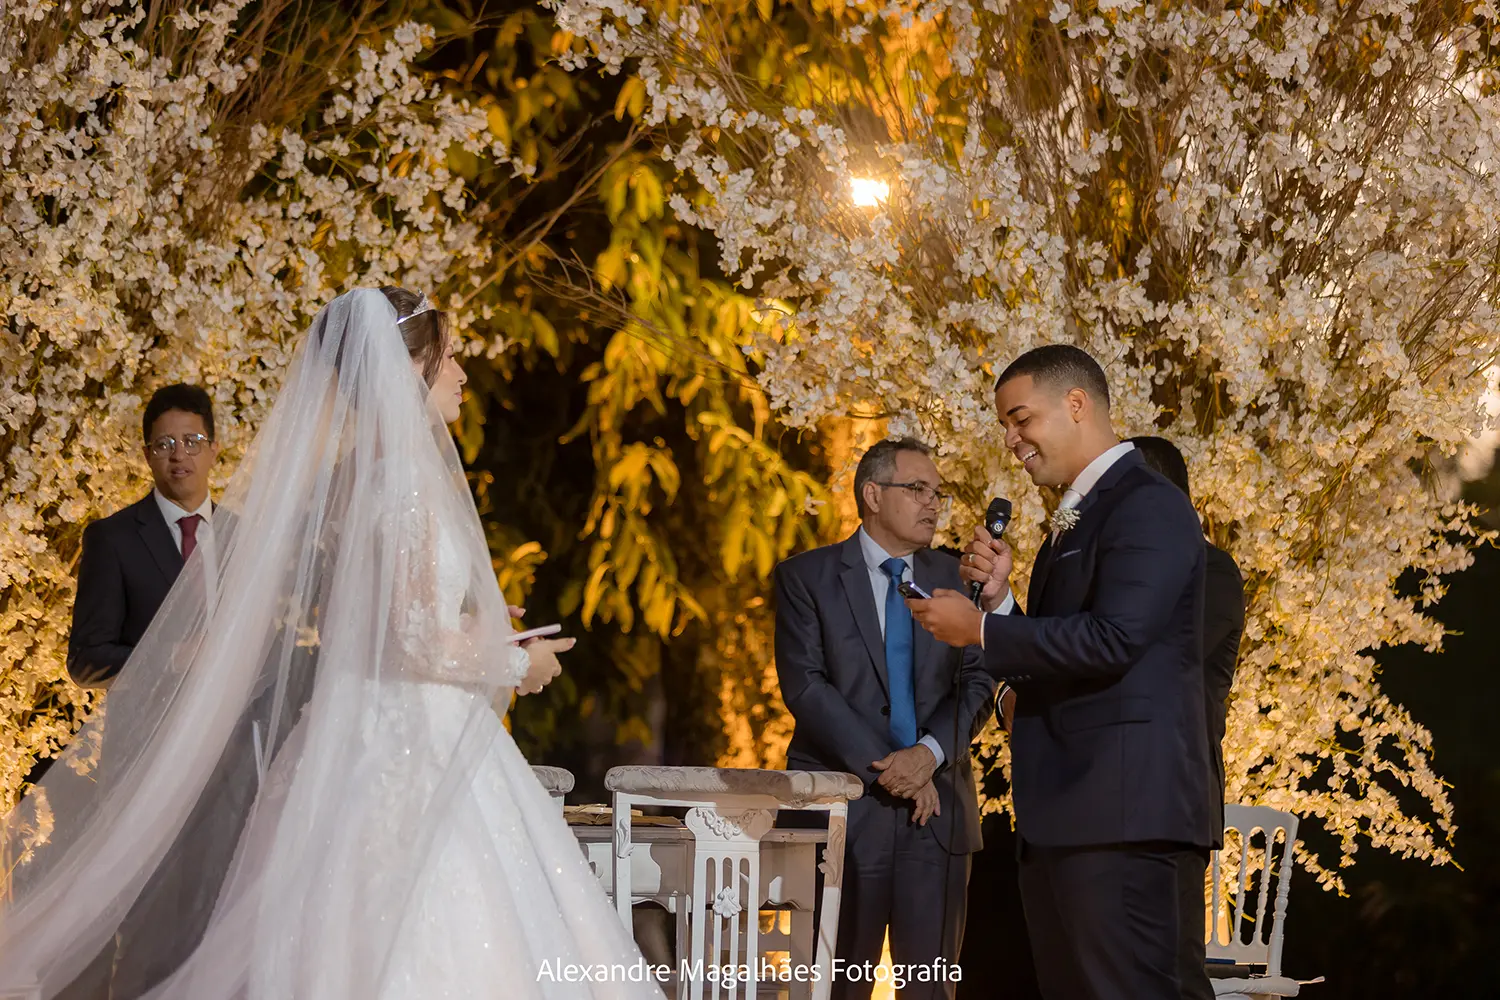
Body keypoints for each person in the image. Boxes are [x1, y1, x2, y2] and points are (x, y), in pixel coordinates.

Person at [1, 288, 660, 1000]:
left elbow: (371, 618)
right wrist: (516, 660)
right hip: (409, 738)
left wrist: (476, 626)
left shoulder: (353, 472)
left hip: (353, 732)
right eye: (449, 356)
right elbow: (411, 640)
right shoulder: (404, 478)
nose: (462, 373)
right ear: (407, 369)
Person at [905, 345, 1216, 1000]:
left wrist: (981, 630)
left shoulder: (1147, 504)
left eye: (1021, 419)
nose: (1011, 440)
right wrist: (1000, 601)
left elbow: (1116, 638)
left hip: (1121, 818)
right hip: (1067, 817)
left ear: (1076, 404)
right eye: (1005, 426)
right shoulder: (1072, 519)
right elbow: (1061, 648)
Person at [775, 437, 995, 999]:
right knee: (838, 987)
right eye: (918, 489)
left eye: (938, 493)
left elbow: (977, 681)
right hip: (847, 813)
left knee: (930, 990)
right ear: (872, 495)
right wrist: (894, 769)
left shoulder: (959, 579)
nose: (933, 504)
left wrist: (926, 756)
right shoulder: (807, 577)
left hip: (937, 817)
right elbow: (807, 687)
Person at [1128, 435, 1246, 1000]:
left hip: (1172, 797)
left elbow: (1140, 659)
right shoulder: (1121, 576)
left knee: (1174, 976)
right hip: (1109, 799)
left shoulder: (1212, 571)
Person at [68, 383, 222, 686]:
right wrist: (171, 658)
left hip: (237, 715)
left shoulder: (244, 534)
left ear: (214, 450)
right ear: (148, 455)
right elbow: (85, 661)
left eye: (192, 442)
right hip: (152, 716)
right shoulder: (112, 539)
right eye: (165, 444)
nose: (179, 455)